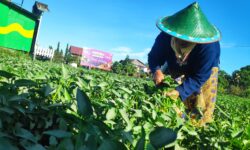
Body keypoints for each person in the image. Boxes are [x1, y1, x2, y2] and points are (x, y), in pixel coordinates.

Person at [148, 2, 221, 126]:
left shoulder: (209, 47)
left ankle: (199, 128)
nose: (181, 45)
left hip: (202, 70)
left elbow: (200, 76)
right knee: (171, 95)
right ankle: (176, 121)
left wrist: (180, 91)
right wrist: (156, 70)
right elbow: (154, 57)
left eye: (185, 43)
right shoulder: (164, 37)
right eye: (179, 41)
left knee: (202, 103)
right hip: (176, 66)